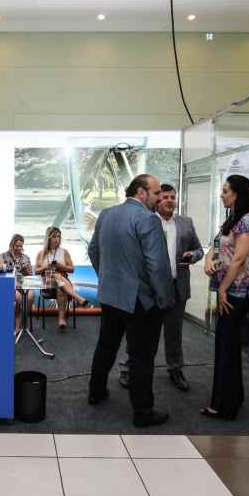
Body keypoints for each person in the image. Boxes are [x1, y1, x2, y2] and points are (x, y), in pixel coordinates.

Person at [87, 174, 174, 428]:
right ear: (141, 192)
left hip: (110, 297)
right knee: (141, 357)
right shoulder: (148, 218)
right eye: (156, 193)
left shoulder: (106, 214)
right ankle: (143, 413)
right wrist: (165, 299)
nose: (160, 198)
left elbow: (93, 251)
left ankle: (95, 392)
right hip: (141, 302)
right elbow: (157, 265)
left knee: (106, 347)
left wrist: (107, 279)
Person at [118, 183, 204, 392]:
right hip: (148, 289)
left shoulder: (186, 223)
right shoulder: (145, 220)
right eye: (164, 197)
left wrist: (191, 256)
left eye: (172, 197)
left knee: (174, 334)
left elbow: (198, 250)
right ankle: (127, 368)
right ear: (157, 200)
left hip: (176, 287)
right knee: (140, 331)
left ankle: (176, 370)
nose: (169, 200)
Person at [202, 175, 249, 420]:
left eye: (225, 191)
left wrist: (222, 289)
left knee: (225, 341)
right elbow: (216, 246)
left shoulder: (248, 220)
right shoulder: (233, 219)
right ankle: (233, 397)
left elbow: (239, 260)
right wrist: (208, 260)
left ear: (237, 194)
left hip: (241, 290)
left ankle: (223, 406)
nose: (221, 195)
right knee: (230, 341)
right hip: (230, 288)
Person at [34, 226, 89, 329]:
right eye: (54, 236)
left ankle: (61, 319)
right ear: (48, 238)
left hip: (62, 278)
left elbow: (71, 269)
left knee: (60, 286)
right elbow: (36, 271)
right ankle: (76, 297)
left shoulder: (64, 251)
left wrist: (60, 266)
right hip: (47, 280)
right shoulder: (41, 253)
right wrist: (45, 267)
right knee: (56, 275)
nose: (57, 239)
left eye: (58, 237)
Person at [0, 233, 35, 334]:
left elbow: (31, 276)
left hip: (24, 284)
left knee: (31, 296)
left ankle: (20, 320)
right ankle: (16, 322)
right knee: (18, 298)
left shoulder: (26, 258)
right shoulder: (4, 256)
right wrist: (12, 269)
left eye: (21, 246)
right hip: (9, 284)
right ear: (12, 244)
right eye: (17, 246)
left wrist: (25, 273)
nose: (19, 248)